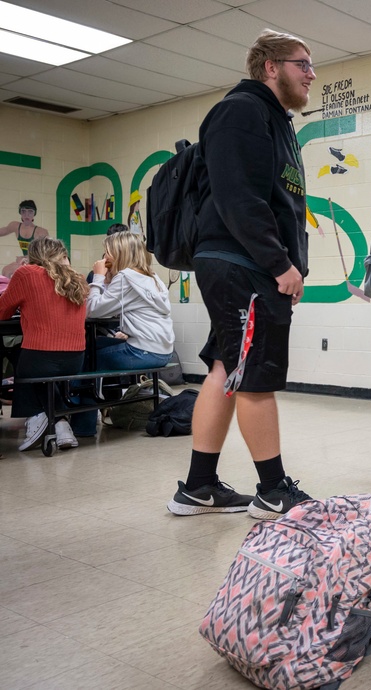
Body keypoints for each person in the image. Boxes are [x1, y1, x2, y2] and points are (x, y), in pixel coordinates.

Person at [167, 29, 315, 519]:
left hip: (241, 262)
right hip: (242, 262)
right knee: (254, 375)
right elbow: (239, 198)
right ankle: (274, 491)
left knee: (226, 368)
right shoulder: (242, 112)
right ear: (271, 67)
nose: (311, 74)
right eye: (302, 64)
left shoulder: (273, 121)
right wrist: (280, 264)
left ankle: (198, 486)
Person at [0, 237, 87, 451]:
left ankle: (38, 417)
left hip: (41, 356)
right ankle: (61, 423)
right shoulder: (78, 278)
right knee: (28, 362)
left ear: (34, 256)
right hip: (76, 359)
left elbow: (3, 310)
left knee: (24, 363)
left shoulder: (27, 273)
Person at [87, 231, 174, 370]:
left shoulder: (125, 278)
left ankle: (79, 392)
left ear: (120, 255)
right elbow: (111, 307)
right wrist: (108, 281)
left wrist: (97, 277)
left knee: (87, 357)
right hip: (163, 352)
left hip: (142, 352)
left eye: (107, 252)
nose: (104, 257)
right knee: (98, 344)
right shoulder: (151, 277)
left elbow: (93, 310)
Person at [1, 200, 50, 278]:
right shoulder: (15, 226)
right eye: (23, 211)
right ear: (20, 213)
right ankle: (10, 290)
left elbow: (47, 254)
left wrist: (27, 258)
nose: (26, 215)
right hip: (25, 261)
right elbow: (2, 231)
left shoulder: (41, 232)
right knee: (6, 270)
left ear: (34, 214)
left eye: (30, 212)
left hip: (37, 263)